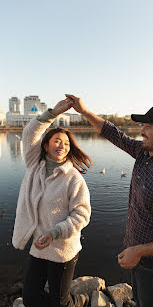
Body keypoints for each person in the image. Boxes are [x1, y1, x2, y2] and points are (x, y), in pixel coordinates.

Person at [66, 94, 153, 307]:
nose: (141, 131)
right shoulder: (145, 153)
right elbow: (114, 134)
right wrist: (84, 111)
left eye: (148, 126)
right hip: (139, 257)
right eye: (142, 125)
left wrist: (139, 251)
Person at [12, 98, 92, 307]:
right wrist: (53, 113)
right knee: (30, 298)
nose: (62, 146)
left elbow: (82, 214)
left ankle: (80, 300)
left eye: (66, 143)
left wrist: (55, 232)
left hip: (62, 247)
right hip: (39, 245)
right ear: (46, 145)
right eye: (57, 141)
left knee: (60, 302)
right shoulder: (34, 165)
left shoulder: (73, 178)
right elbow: (29, 133)